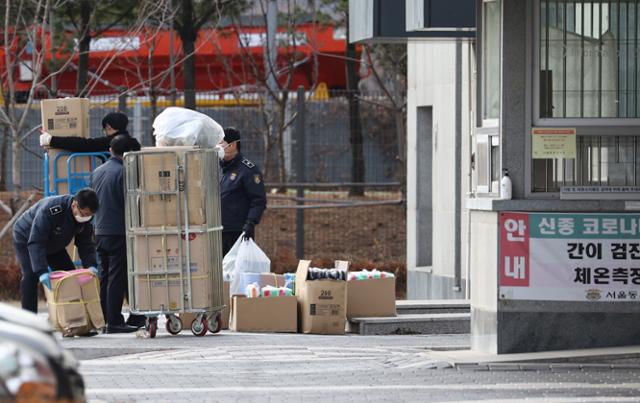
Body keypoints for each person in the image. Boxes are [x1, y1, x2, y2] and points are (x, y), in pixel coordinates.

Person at [13, 189, 99, 313]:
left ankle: (74, 321)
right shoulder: (51, 209)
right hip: (26, 238)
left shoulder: (85, 217)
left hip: (54, 242)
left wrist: (91, 265)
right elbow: (37, 241)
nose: (86, 218)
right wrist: (41, 271)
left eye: (90, 215)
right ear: (74, 205)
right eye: (84, 214)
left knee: (69, 277)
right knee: (31, 275)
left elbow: (85, 243)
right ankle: (29, 318)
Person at [90, 135, 144, 333]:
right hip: (118, 231)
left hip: (100, 230)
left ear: (111, 150)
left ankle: (104, 319)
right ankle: (114, 321)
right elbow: (130, 203)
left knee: (105, 277)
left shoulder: (97, 171)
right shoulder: (124, 172)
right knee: (117, 278)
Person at [218, 127, 267, 255]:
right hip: (217, 229)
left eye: (221, 143)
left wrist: (251, 222)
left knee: (236, 271)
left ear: (233, 144)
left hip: (236, 231)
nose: (218, 146)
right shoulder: (218, 168)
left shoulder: (247, 170)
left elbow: (258, 200)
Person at [39, 111, 131, 152]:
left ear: (109, 127)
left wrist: (51, 140)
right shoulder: (129, 141)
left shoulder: (113, 141)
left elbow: (84, 144)